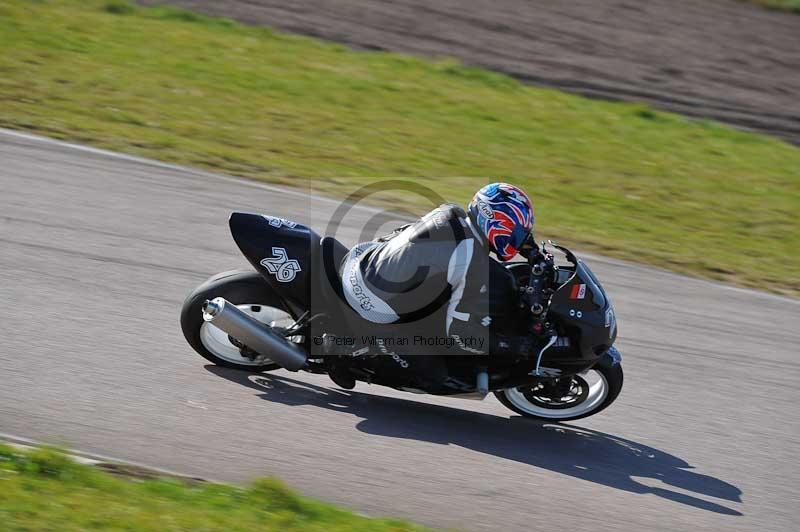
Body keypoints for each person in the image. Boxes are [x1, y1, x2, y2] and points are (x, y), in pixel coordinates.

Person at [333, 182, 536, 390]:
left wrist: (531, 251)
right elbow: (459, 333)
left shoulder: (451, 212)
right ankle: (345, 356)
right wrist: (507, 345)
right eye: (515, 231)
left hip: (363, 260)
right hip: (372, 303)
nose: (517, 238)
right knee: (434, 375)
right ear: (495, 221)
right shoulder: (472, 260)